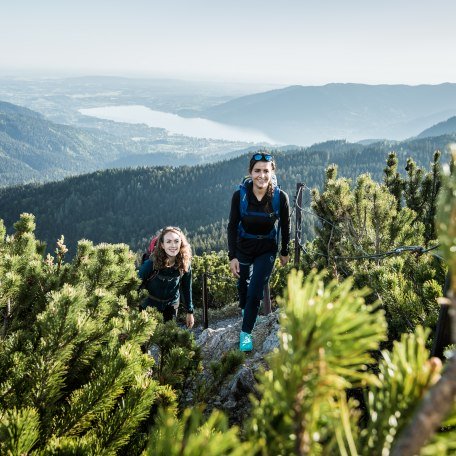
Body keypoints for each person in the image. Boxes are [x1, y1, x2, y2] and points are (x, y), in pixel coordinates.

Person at [228, 152, 290, 351]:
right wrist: (233, 256)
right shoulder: (240, 196)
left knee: (255, 292)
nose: (261, 175)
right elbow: (231, 226)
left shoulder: (280, 198)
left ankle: (246, 333)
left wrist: (285, 251)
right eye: (257, 171)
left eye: (266, 170)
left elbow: (286, 226)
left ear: (272, 172)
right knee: (243, 287)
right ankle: (246, 310)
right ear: (250, 172)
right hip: (243, 246)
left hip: (266, 248)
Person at [139, 226, 195, 328]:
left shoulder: (185, 263)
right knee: (144, 341)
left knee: (169, 339)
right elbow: (136, 285)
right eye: (168, 242)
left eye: (176, 241)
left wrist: (190, 312)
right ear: (162, 245)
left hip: (171, 306)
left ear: (181, 243)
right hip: (148, 305)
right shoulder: (151, 264)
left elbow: (187, 288)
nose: (173, 245)